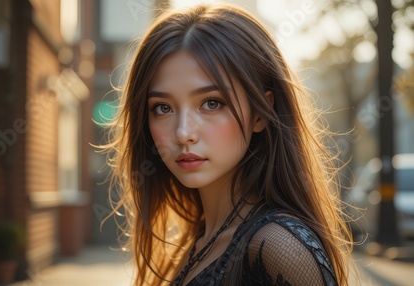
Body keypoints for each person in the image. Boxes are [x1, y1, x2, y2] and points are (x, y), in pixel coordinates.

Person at [100, 3, 355, 285]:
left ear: (260, 113)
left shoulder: (279, 247)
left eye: (211, 103)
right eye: (162, 108)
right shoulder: (198, 242)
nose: (183, 133)